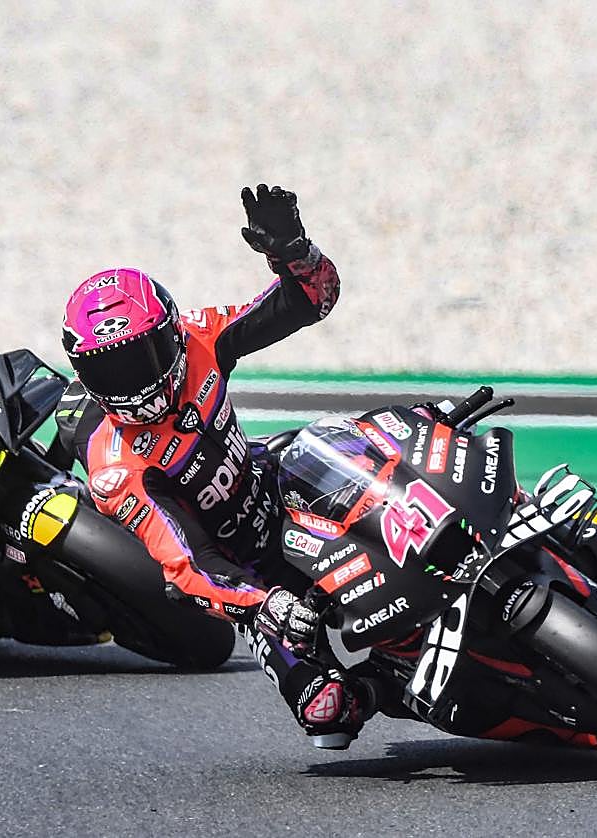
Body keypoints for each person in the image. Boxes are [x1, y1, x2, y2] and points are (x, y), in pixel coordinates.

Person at [53, 184, 369, 746]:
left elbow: (311, 302)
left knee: (374, 447)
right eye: (109, 372)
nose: (131, 385)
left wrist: (295, 254)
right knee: (328, 714)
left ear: (170, 335)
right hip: (248, 571)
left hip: (283, 491)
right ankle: (384, 686)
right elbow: (187, 565)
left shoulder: (200, 337)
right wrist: (264, 604)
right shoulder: (116, 468)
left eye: (140, 359)